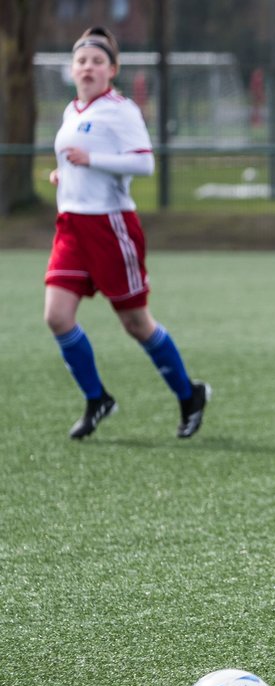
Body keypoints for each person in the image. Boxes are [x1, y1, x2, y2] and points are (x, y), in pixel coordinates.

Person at [44, 26, 209, 440]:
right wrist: (62, 175)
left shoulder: (121, 111)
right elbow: (74, 161)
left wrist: (92, 159)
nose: (88, 67)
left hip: (111, 227)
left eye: (97, 61)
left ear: (112, 70)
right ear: (73, 68)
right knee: (57, 317)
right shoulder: (71, 111)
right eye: (81, 60)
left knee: (136, 323)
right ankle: (97, 398)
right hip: (71, 227)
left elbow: (144, 164)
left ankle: (189, 395)